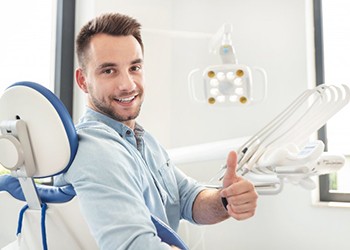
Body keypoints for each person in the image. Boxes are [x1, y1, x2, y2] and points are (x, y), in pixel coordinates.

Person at [55, 12, 258, 250]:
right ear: (82, 81)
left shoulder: (142, 140)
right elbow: (133, 246)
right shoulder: (96, 150)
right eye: (109, 71)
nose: (128, 84)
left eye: (135, 67)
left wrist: (225, 199)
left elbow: (187, 198)